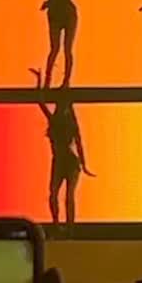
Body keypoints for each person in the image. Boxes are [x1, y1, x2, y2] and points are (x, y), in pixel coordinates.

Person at [29, 68, 95, 225]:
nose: (63, 108)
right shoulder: (54, 120)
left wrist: (84, 164)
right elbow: (40, 102)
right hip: (58, 161)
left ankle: (70, 226)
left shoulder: (72, 125)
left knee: (69, 196)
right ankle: (57, 223)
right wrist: (39, 80)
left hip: (71, 162)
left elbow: (79, 144)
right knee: (53, 194)